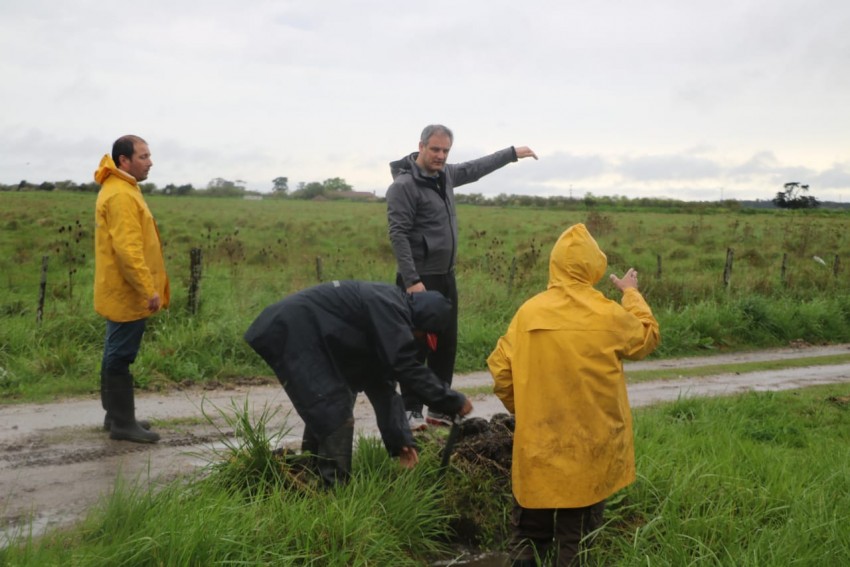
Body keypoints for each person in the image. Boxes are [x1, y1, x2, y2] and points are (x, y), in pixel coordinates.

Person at [487, 223, 660, 566]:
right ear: (593, 266)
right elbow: (647, 336)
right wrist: (630, 293)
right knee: (575, 541)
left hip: (538, 447)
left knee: (527, 538)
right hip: (590, 450)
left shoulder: (528, 313)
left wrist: (526, 409)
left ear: (555, 264)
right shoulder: (608, 313)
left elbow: (501, 371)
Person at [243, 280, 474, 487]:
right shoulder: (390, 307)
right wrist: (452, 400)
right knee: (333, 408)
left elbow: (382, 385)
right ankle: (334, 497)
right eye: (423, 337)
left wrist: (401, 440)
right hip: (292, 328)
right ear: (422, 322)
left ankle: (309, 473)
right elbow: (404, 366)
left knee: (331, 403)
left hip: (305, 333)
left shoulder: (389, 314)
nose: (420, 341)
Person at [387, 124, 537, 430]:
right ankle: (410, 410)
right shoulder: (403, 186)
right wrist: (412, 280)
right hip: (418, 280)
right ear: (421, 147)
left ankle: (439, 408)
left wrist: (511, 154)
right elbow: (398, 235)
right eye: (435, 150)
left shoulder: (446, 176)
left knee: (446, 344)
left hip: (445, 276)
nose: (440, 156)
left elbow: (476, 168)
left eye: (445, 151)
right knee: (416, 346)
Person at [94, 135, 170, 444]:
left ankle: (116, 416)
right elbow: (128, 249)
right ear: (124, 160)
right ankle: (123, 424)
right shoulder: (122, 195)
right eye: (143, 156)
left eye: (149, 155)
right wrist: (147, 287)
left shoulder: (121, 189)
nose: (150, 161)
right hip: (128, 290)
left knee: (114, 351)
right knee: (120, 355)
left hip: (119, 288)